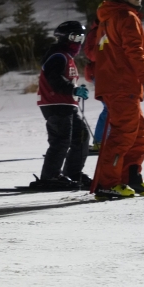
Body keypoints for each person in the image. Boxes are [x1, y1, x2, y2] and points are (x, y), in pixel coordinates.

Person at [92, 0, 144, 199]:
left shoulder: (107, 18)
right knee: (124, 134)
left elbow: (97, 52)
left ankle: (130, 177)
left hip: (118, 85)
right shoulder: (126, 17)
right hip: (122, 85)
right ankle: (108, 183)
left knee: (139, 133)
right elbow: (134, 52)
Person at [33, 21, 91, 189]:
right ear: (63, 38)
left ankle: (72, 173)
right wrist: (74, 89)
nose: (78, 41)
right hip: (54, 103)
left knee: (81, 137)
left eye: (81, 37)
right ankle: (50, 177)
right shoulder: (57, 55)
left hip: (67, 104)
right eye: (74, 36)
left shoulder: (66, 56)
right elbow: (55, 79)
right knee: (61, 140)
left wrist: (76, 90)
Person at [83, 18, 108, 151]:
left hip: (114, 74)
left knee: (122, 107)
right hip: (101, 74)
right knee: (110, 108)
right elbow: (92, 55)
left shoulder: (115, 29)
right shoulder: (95, 33)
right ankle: (99, 142)